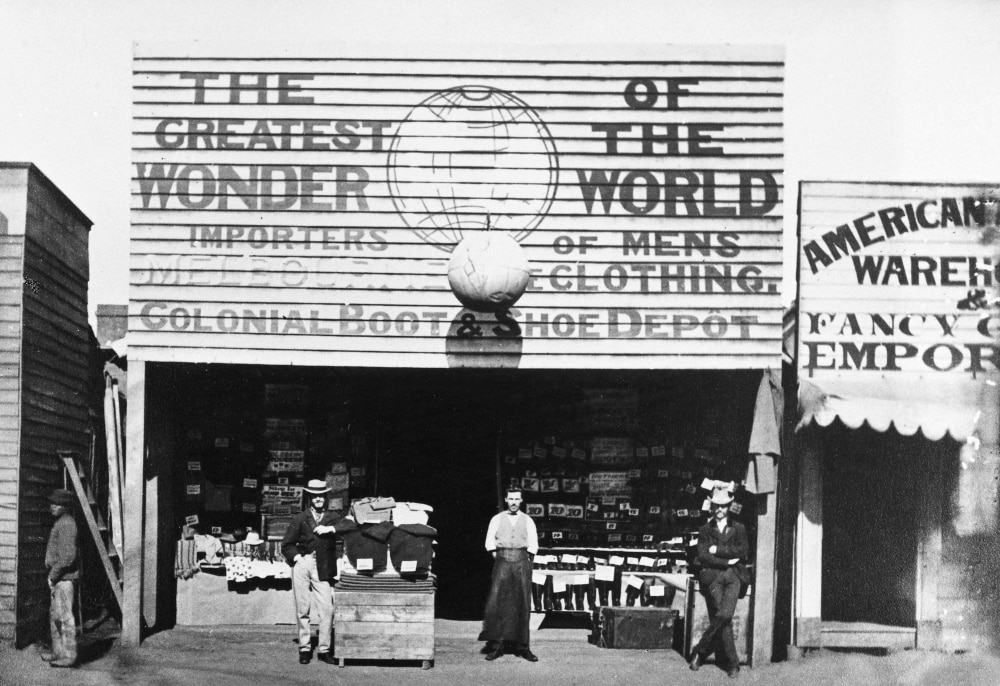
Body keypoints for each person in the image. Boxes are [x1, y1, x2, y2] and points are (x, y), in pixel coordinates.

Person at [688, 486, 749, 679]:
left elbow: (743, 551)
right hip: (713, 577)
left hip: (734, 576)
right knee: (724, 620)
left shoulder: (739, 528)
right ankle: (733, 664)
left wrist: (718, 550)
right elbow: (703, 556)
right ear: (712, 507)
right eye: (716, 506)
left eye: (723, 506)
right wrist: (725, 559)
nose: (720, 509)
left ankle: (700, 651)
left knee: (724, 614)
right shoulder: (705, 530)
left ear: (729, 506)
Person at [281, 479, 342, 665]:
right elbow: (287, 545)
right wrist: (298, 558)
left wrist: (331, 528)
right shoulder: (300, 518)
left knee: (327, 608)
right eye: (314, 496)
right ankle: (305, 648)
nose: (318, 499)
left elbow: (350, 526)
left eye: (321, 496)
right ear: (310, 497)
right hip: (304, 563)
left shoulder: (334, 517)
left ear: (326, 497)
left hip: (323, 566)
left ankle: (324, 649)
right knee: (303, 608)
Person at [481, 488, 539, 662]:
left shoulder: (528, 520)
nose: (514, 502)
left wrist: (524, 559)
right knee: (499, 601)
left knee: (522, 602)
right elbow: (489, 541)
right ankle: (497, 646)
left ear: (521, 501)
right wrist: (500, 557)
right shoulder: (497, 519)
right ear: (506, 499)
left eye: (517, 499)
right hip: (502, 561)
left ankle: (523, 647)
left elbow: (533, 544)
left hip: (522, 561)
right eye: (511, 498)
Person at [41, 488, 79, 668]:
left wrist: (53, 575)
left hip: (64, 579)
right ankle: (58, 652)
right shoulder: (61, 522)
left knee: (64, 618)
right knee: (55, 617)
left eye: (57, 504)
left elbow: (68, 557)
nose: (52, 506)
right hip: (58, 579)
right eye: (52, 503)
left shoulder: (67, 524)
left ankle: (69, 656)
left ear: (65, 506)